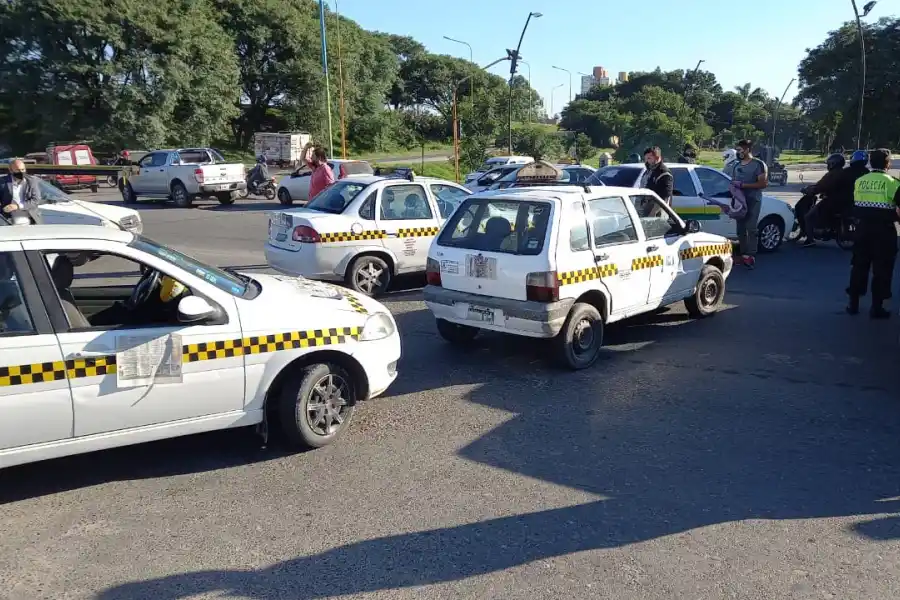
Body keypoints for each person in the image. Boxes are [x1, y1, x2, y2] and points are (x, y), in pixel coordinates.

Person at [845, 149, 900, 319]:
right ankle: (877, 307)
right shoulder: (893, 183)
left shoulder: (860, 181)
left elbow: (857, 204)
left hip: (862, 230)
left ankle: (853, 304)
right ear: (887, 163)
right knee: (882, 270)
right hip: (884, 232)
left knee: (859, 266)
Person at [801, 150, 870, 247]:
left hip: (835, 201)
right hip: (856, 201)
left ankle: (810, 239)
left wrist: (814, 190)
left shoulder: (842, 173)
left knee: (808, 217)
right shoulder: (867, 173)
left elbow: (824, 185)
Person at [726, 140, 768, 269]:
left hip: (752, 200)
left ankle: (751, 255)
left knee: (751, 228)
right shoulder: (736, 165)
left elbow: (763, 184)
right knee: (740, 229)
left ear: (747, 149)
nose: (738, 152)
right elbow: (732, 181)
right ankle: (743, 254)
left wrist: (743, 185)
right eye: (737, 150)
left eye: (740, 150)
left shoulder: (758, 164)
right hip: (739, 201)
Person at [0, 159, 42, 224]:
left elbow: (36, 200)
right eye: (17, 170)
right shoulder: (2, 182)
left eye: (23, 169)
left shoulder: (32, 181)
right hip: (8, 220)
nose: (21, 172)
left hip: (31, 219)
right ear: (11, 170)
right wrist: (3, 209)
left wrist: (17, 206)